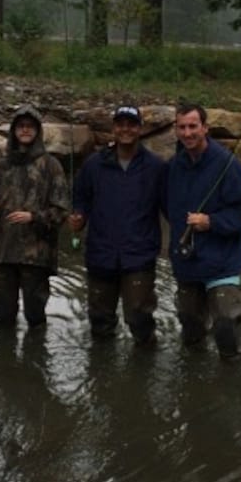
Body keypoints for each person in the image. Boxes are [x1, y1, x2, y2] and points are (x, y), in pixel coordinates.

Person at [165, 102, 241, 358]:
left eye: (193, 126)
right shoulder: (174, 166)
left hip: (222, 261)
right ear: (176, 129)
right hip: (187, 261)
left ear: (205, 128)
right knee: (189, 324)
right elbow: (168, 210)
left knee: (225, 324)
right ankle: (195, 378)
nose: (188, 133)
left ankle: (232, 374)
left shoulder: (227, 165)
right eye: (182, 127)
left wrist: (212, 222)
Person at [69, 105, 167, 345]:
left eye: (131, 124)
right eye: (120, 124)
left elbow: (171, 205)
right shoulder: (93, 165)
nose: (125, 129)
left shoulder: (156, 167)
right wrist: (78, 216)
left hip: (139, 255)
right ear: (113, 128)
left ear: (139, 129)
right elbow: (80, 198)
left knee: (139, 319)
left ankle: (144, 372)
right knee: (99, 321)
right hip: (101, 254)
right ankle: (102, 376)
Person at [0, 105, 70, 328]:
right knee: (4, 316)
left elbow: (61, 211)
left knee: (35, 316)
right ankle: (4, 361)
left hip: (36, 255)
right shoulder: (1, 165)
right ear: (13, 131)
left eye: (30, 126)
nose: (25, 130)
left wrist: (33, 217)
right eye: (20, 126)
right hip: (2, 252)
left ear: (38, 131)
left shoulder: (51, 166)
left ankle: (36, 359)